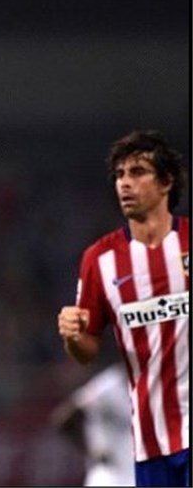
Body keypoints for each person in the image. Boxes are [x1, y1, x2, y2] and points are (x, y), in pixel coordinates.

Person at [57, 130, 189, 487]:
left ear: (166, 182)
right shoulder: (99, 259)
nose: (125, 183)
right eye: (119, 175)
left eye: (137, 172)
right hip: (150, 443)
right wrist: (72, 336)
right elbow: (87, 351)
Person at [50, 362, 135, 486]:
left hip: (134, 471)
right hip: (110, 474)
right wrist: (90, 452)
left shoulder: (152, 387)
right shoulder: (109, 385)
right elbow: (64, 419)